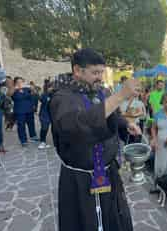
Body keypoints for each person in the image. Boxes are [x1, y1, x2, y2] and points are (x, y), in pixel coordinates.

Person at [49, 48, 141, 231]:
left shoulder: (100, 92)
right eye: (95, 72)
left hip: (107, 171)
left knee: (112, 219)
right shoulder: (62, 98)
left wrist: (124, 124)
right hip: (80, 179)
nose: (99, 77)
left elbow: (110, 114)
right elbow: (78, 125)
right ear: (77, 70)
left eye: (101, 72)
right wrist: (120, 95)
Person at [8, 77, 39, 146]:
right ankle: (23, 140)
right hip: (20, 111)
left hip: (29, 109)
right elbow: (9, 94)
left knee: (31, 124)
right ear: (15, 83)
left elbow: (34, 93)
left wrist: (32, 88)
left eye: (21, 82)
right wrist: (15, 88)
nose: (20, 83)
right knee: (21, 126)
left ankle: (33, 136)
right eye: (18, 82)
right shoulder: (13, 89)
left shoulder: (26, 88)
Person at [38, 79, 52, 149]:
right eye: (49, 87)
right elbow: (41, 100)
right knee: (44, 128)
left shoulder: (55, 94)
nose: (51, 88)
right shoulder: (44, 95)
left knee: (55, 129)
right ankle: (42, 141)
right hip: (44, 114)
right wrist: (47, 95)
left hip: (53, 114)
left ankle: (57, 142)